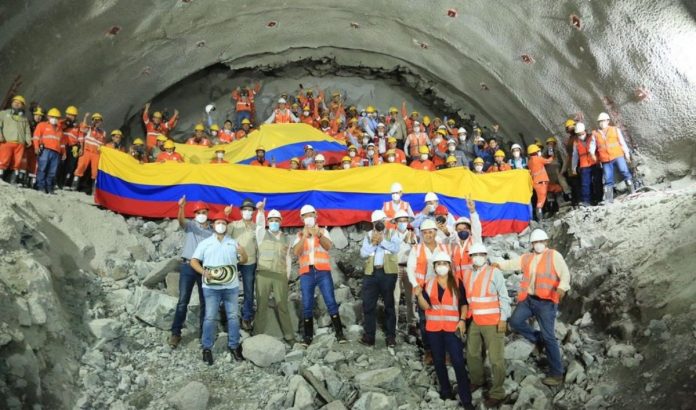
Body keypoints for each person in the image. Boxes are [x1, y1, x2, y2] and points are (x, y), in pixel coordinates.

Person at [495, 228, 571, 386]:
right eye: (535, 242)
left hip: (547, 303)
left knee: (549, 336)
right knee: (515, 322)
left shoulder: (554, 255)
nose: (537, 245)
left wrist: (562, 287)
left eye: (540, 242)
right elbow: (512, 263)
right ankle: (538, 339)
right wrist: (498, 265)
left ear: (546, 242)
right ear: (531, 244)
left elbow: (565, 273)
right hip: (529, 300)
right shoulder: (528, 257)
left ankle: (557, 374)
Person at [414, 252, 474, 409]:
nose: (441, 266)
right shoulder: (428, 283)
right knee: (439, 361)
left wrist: (462, 320)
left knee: (458, 362)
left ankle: (466, 400)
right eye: (438, 264)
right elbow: (425, 306)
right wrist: (419, 295)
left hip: (452, 328)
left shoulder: (457, 282)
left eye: (444, 264)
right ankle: (446, 392)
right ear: (434, 267)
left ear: (449, 266)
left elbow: (463, 303)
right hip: (433, 329)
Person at [190, 211, 248, 365]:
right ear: (213, 225)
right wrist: (203, 272)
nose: (221, 225)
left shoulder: (233, 243)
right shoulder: (205, 243)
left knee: (233, 317)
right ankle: (207, 348)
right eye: (218, 223)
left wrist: (243, 254)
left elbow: (243, 260)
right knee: (210, 317)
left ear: (226, 226)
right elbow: (193, 261)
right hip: (211, 288)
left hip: (231, 287)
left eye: (223, 223)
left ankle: (234, 346)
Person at [463, 243, 511, 407]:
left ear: (485, 255)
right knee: (472, 353)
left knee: (496, 358)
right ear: (471, 257)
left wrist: (503, 318)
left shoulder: (494, 272)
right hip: (476, 319)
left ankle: (497, 393)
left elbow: (504, 297)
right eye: (474, 255)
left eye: (480, 254)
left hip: (493, 321)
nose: (477, 257)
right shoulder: (468, 273)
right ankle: (477, 380)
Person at [292, 204, 346, 346]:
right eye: (305, 216)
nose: (308, 218)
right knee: (307, 304)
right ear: (302, 218)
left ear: (316, 216)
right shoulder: (298, 235)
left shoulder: (323, 231)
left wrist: (318, 234)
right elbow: (296, 252)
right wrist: (304, 236)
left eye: (311, 215)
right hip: (306, 274)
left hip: (322, 272)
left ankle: (340, 333)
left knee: (330, 301)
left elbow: (328, 246)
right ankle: (307, 336)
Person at [169, 198, 213, 349]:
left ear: (208, 213)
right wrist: (181, 207)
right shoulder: (191, 226)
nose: (201, 214)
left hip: (204, 269)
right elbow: (181, 221)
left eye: (204, 212)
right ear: (194, 214)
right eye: (198, 212)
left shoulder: (212, 232)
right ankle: (176, 333)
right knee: (182, 301)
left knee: (205, 302)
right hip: (188, 266)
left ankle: (204, 334)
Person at [407, 219, 450, 363]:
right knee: (425, 321)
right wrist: (415, 286)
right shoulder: (416, 249)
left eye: (430, 232)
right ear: (421, 234)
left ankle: (444, 351)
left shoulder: (444, 248)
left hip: (442, 289)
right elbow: (410, 269)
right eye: (425, 232)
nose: (428, 235)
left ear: (435, 232)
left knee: (444, 319)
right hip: (423, 289)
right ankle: (429, 351)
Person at [359, 210, 402, 347]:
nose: (379, 224)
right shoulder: (368, 236)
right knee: (368, 305)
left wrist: (382, 241)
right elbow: (363, 254)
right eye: (377, 222)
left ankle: (391, 337)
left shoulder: (392, 233)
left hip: (388, 273)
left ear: (385, 221)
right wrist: (373, 243)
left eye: (381, 221)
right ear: (372, 223)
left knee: (389, 305)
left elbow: (395, 248)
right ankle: (369, 336)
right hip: (371, 273)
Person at [254, 208, 296, 344]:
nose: (273, 223)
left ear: (280, 222)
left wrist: (287, 275)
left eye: (276, 220)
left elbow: (288, 258)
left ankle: (289, 336)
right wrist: (260, 212)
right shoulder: (261, 235)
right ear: (268, 222)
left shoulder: (286, 238)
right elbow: (259, 225)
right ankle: (257, 335)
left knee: (282, 305)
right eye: (271, 220)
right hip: (263, 275)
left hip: (280, 275)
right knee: (261, 305)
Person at [224, 198, 264, 331]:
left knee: (248, 290)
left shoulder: (256, 227)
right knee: (229, 287)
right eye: (245, 209)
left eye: (250, 210)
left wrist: (259, 263)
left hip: (250, 263)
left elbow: (260, 245)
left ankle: (246, 317)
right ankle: (229, 315)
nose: (247, 212)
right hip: (234, 261)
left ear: (253, 212)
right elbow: (222, 234)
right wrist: (226, 215)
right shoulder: (234, 225)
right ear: (240, 211)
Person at [592, 112, 635, 203]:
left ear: (608, 121)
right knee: (608, 178)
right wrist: (593, 155)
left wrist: (626, 153)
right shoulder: (595, 133)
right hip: (605, 159)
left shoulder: (614, 129)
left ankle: (632, 191)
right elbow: (592, 147)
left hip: (617, 155)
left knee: (624, 171)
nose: (602, 123)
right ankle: (609, 199)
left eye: (604, 121)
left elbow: (621, 142)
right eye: (600, 121)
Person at [391, 210, 417, 335]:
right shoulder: (391, 235)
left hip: (409, 268)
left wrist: (411, 242)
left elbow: (416, 251)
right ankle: (394, 324)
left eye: (404, 221)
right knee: (395, 297)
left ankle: (411, 323)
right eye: (400, 221)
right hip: (396, 267)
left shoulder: (413, 235)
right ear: (395, 222)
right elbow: (392, 250)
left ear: (408, 222)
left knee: (410, 298)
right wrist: (404, 241)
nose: (402, 223)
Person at [33, 108, 66, 194]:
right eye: (52, 116)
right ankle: (41, 187)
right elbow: (36, 137)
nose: (54, 118)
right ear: (48, 117)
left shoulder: (60, 129)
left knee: (52, 172)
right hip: (45, 150)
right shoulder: (42, 125)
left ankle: (49, 188)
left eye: (56, 117)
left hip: (56, 153)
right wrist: (36, 147)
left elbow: (62, 143)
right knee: (42, 169)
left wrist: (64, 153)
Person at [448, 198, 481, 282]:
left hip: (473, 282)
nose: (462, 231)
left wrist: (472, 211)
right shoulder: (454, 246)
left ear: (470, 230)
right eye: (459, 229)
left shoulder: (474, 242)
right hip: (459, 284)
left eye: (465, 228)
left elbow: (476, 227)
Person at [0, 95, 31, 184]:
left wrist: (28, 140)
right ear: (12, 103)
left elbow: (27, 131)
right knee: (3, 161)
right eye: (15, 102)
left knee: (16, 163)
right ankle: (0, 178)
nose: (17, 104)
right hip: (6, 142)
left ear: (22, 106)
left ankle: (12, 180)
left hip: (20, 144)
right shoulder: (3, 113)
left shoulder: (24, 119)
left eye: (19, 103)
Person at [71, 113, 106, 192]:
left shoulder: (103, 132)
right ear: (93, 121)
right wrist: (85, 117)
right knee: (81, 167)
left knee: (95, 171)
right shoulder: (89, 129)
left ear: (101, 122)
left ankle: (94, 189)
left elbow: (103, 144)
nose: (97, 122)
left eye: (99, 121)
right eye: (95, 120)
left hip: (96, 154)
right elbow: (82, 128)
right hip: (86, 151)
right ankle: (74, 184)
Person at [571, 123, 602, 206]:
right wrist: (573, 168)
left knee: (597, 181)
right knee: (585, 183)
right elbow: (575, 155)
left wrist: (600, 160)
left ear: (585, 130)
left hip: (594, 162)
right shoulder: (576, 142)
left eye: (581, 133)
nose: (580, 135)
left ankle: (599, 198)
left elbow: (599, 148)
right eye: (578, 134)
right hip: (584, 165)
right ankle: (587, 201)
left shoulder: (591, 137)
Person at [56, 105, 82, 189]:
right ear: (66, 115)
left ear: (75, 116)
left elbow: (81, 137)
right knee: (60, 165)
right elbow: (57, 126)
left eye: (72, 115)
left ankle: (64, 183)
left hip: (73, 147)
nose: (70, 117)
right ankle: (56, 182)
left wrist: (80, 147)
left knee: (70, 166)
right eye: (69, 114)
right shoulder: (62, 123)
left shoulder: (77, 126)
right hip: (63, 146)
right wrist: (65, 123)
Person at [527, 144, 553, 221]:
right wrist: (552, 154)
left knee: (556, 189)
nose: (540, 152)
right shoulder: (538, 159)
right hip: (541, 183)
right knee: (541, 201)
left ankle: (546, 211)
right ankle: (540, 218)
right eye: (538, 151)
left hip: (536, 183)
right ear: (536, 152)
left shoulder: (529, 161)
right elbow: (548, 161)